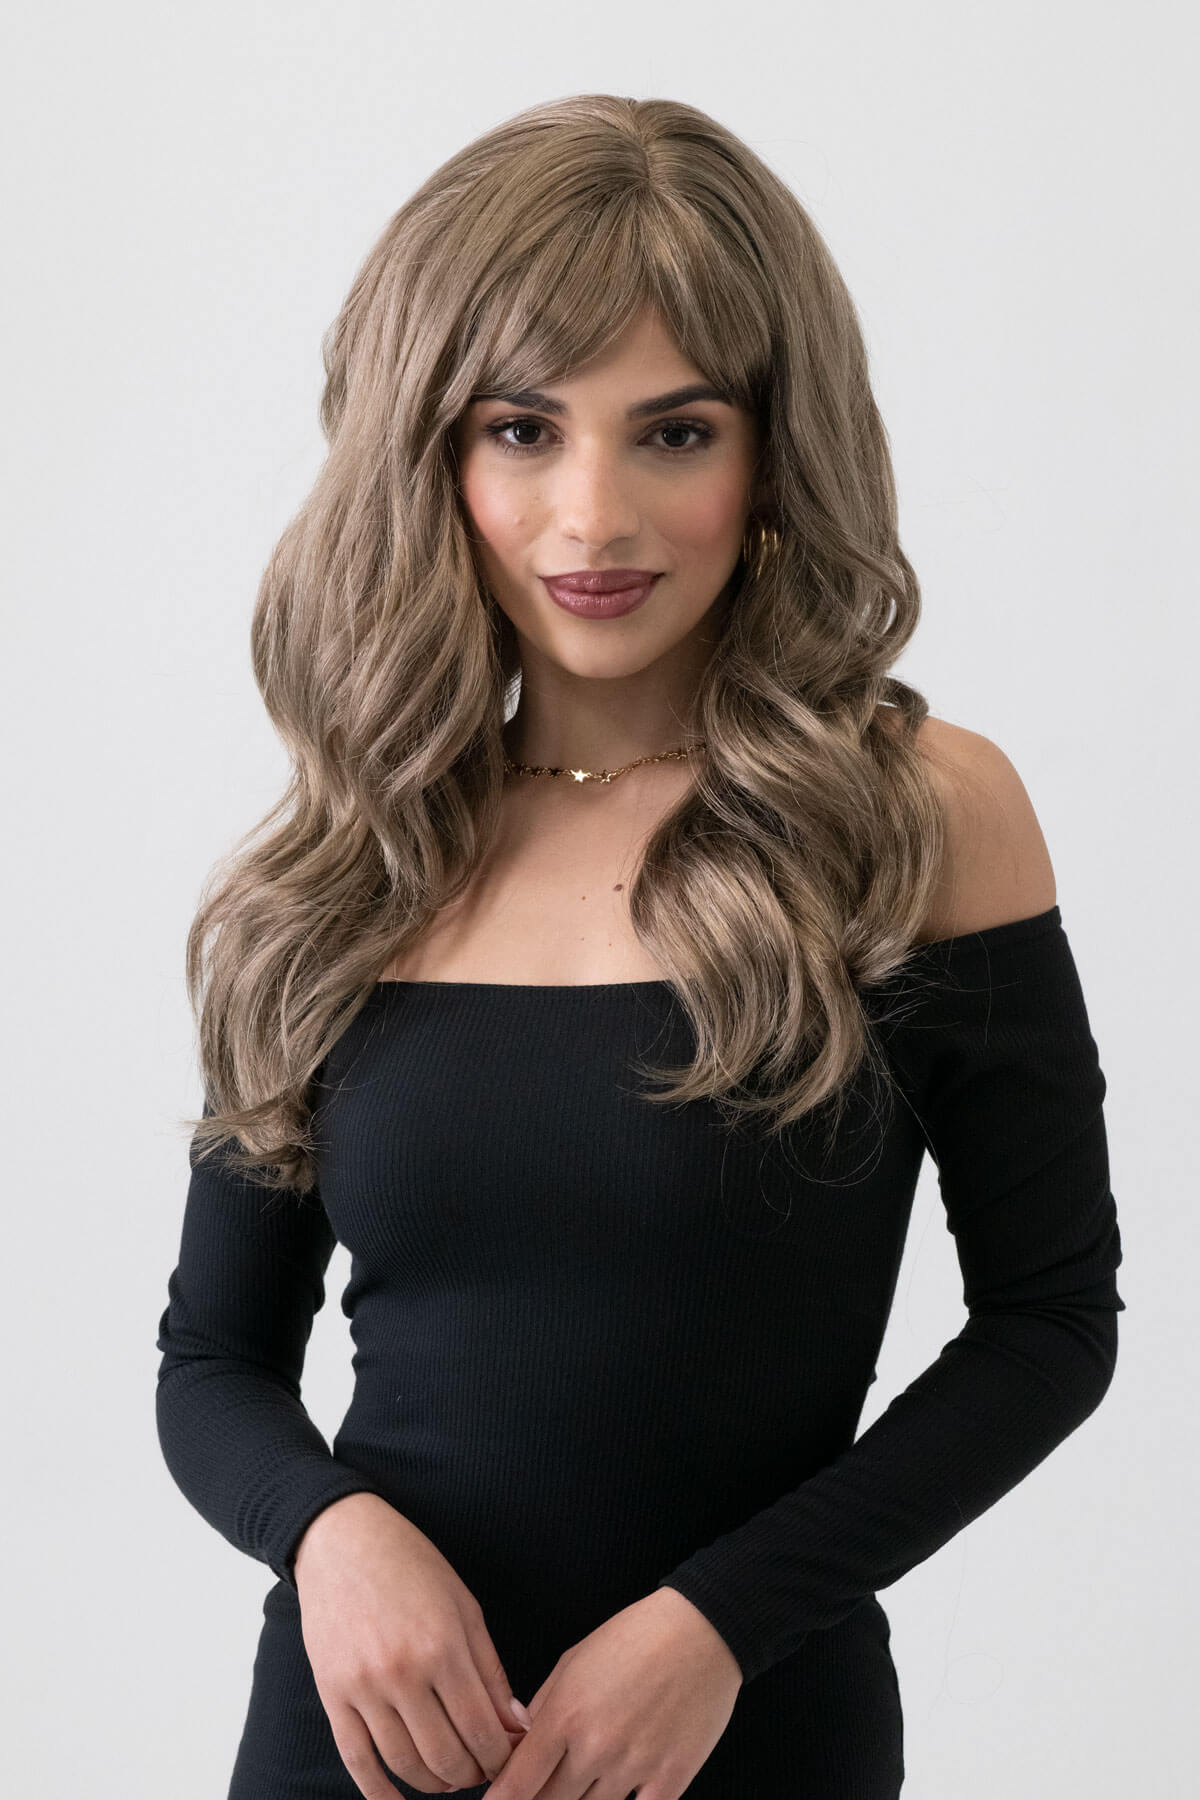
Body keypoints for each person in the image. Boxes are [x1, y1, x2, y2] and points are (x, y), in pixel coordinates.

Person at [154, 94, 1125, 1800]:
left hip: (745, 1738)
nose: (591, 516)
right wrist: (329, 1537)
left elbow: (1049, 1323)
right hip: (362, 1746)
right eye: (522, 431)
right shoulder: (351, 851)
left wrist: (717, 1627)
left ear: (772, 451)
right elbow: (211, 1361)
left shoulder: (917, 813)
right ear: (432, 457)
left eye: (672, 432)